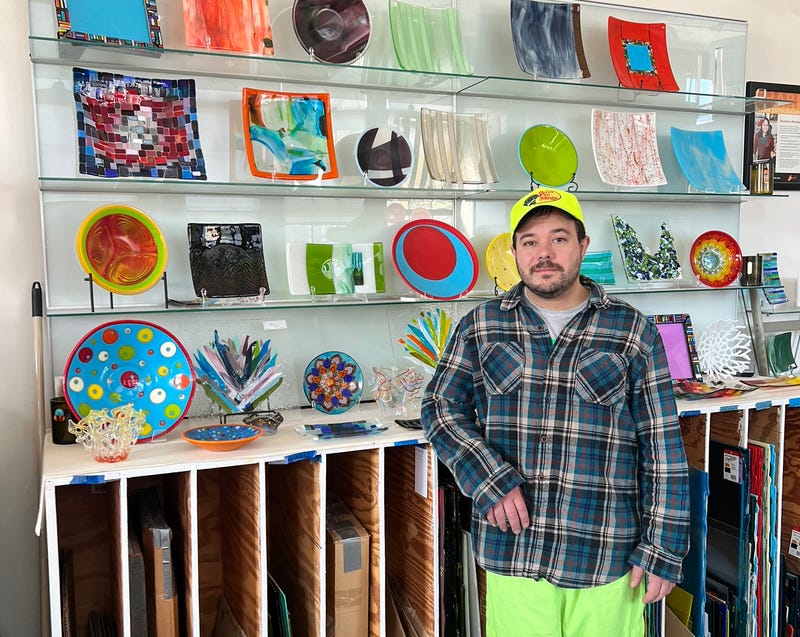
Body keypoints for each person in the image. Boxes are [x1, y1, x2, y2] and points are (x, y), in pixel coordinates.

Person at [421, 188, 690, 636]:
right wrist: (490, 480)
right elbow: (440, 406)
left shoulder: (631, 330)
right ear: (514, 252)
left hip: (606, 553)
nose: (543, 254)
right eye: (529, 241)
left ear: (583, 246)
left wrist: (663, 547)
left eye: (558, 239)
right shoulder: (481, 325)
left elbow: (662, 447)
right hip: (515, 552)